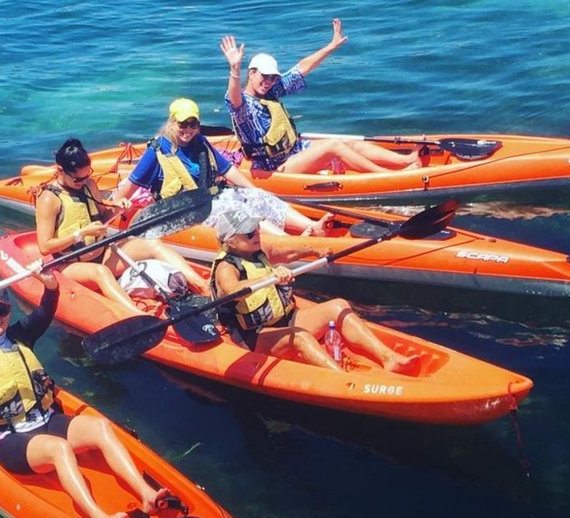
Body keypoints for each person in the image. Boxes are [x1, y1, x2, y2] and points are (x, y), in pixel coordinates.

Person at [0, 266, 169, 518]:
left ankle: (146, 494)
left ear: (8, 313)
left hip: (46, 419)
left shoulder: (20, 335)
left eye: (1, 311)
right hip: (8, 438)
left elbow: (46, 310)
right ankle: (98, 517)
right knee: (59, 449)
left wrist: (50, 284)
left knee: (100, 428)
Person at [209, 209, 419, 373]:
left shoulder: (258, 250)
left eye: (256, 228)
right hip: (254, 336)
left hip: (285, 318)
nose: (256, 234)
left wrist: (313, 250)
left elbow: (289, 251)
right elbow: (231, 290)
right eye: (248, 233)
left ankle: (389, 358)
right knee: (300, 337)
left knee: (338, 306)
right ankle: (341, 379)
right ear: (230, 241)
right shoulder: (226, 268)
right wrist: (269, 278)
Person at [221, 19, 421, 174]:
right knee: (333, 146)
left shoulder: (271, 91)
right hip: (273, 167)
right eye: (265, 76)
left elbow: (301, 69)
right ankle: (385, 175)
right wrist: (234, 69)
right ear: (252, 73)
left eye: (273, 78)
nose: (269, 81)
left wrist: (330, 47)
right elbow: (234, 98)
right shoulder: (243, 106)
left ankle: (404, 160)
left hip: (294, 151)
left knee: (347, 143)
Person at [35, 138, 210, 313]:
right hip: (70, 264)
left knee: (152, 243)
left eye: (87, 175)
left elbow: (104, 216)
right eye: (77, 179)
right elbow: (45, 246)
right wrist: (80, 234)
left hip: (101, 251)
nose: (83, 181)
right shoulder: (49, 198)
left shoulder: (89, 184)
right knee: (100, 272)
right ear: (60, 170)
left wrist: (119, 208)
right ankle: (137, 314)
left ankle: (202, 287)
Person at [114, 98, 332, 237]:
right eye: (183, 124)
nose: (188, 130)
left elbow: (228, 169)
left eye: (193, 124)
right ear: (172, 122)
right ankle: (286, 242)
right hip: (179, 212)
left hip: (208, 200)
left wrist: (253, 190)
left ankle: (310, 227)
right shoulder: (157, 151)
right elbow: (131, 184)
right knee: (239, 211)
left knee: (260, 197)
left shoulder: (200, 143)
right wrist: (116, 204)